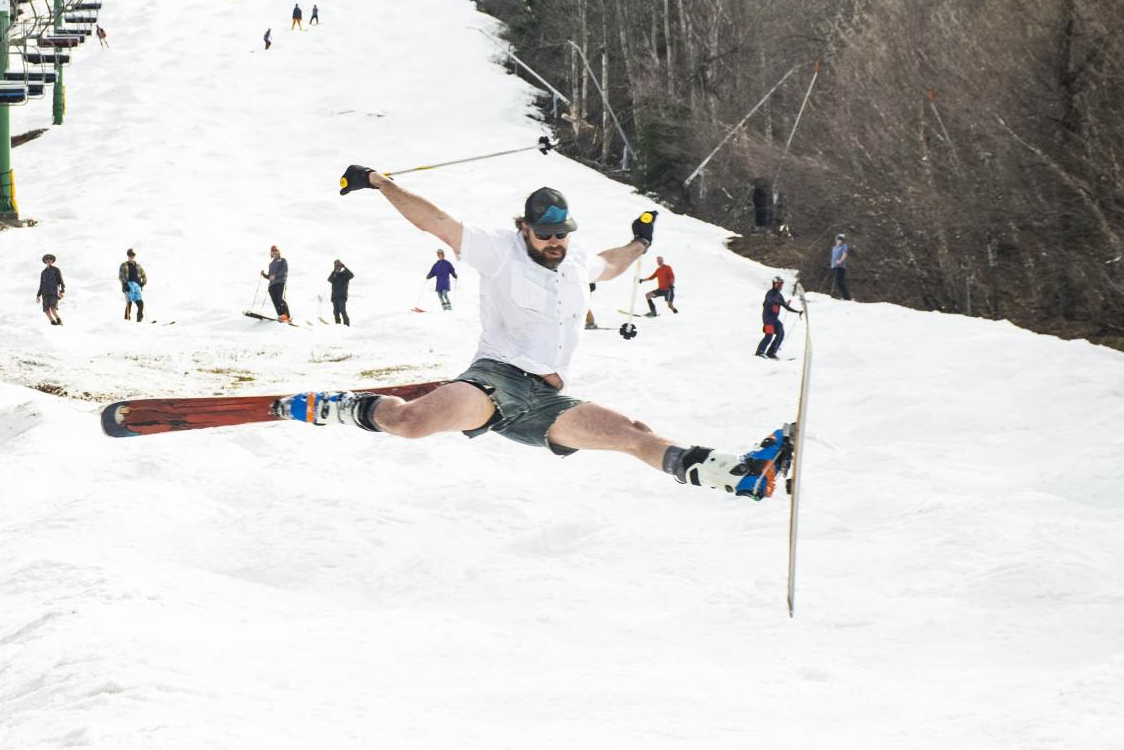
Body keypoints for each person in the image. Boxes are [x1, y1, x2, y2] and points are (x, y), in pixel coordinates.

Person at [284, 167, 793, 501]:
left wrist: (639, 242)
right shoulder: (497, 249)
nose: (555, 241)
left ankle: (739, 473)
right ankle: (338, 406)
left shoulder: (573, 260)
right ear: (524, 227)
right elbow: (435, 221)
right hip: (496, 379)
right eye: (545, 233)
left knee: (633, 435)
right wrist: (380, 181)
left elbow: (610, 265)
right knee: (413, 423)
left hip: (547, 400)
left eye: (562, 233)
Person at [755, 277, 801, 359]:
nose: (780, 286)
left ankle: (771, 352)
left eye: (781, 284)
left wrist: (797, 312)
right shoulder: (770, 293)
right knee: (769, 335)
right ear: (774, 284)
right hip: (768, 319)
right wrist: (783, 303)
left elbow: (786, 307)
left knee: (781, 333)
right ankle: (760, 352)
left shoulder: (779, 295)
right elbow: (772, 301)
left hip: (775, 319)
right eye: (778, 284)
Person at [261, 245, 291, 322]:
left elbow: (284, 271)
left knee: (280, 298)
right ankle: (281, 316)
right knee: (275, 300)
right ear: (271, 253)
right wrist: (264, 275)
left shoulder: (283, 260)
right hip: (272, 285)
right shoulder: (270, 264)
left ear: (278, 252)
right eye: (273, 251)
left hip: (280, 282)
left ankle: (287, 316)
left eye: (275, 251)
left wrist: (275, 276)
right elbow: (270, 277)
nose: (274, 252)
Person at [119, 248, 147, 322]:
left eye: (133, 255)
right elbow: (121, 276)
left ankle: (139, 320)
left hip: (137, 286)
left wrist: (142, 283)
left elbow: (144, 276)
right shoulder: (124, 265)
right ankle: (126, 320)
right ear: (128, 256)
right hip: (129, 285)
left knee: (140, 303)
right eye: (130, 255)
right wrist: (125, 284)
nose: (131, 257)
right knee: (129, 302)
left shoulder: (138, 266)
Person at [37, 253, 65, 325]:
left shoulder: (56, 270)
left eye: (50, 260)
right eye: (47, 260)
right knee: (46, 310)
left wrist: (62, 291)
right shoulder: (43, 273)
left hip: (53, 292)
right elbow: (41, 284)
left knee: (53, 308)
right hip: (45, 293)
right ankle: (53, 322)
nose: (48, 261)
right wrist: (38, 295)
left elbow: (60, 280)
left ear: (52, 261)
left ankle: (59, 320)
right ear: (45, 262)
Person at [327, 259, 354, 325]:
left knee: (342, 310)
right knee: (335, 312)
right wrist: (334, 271)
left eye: (338, 264)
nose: (337, 266)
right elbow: (329, 279)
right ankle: (338, 325)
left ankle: (347, 325)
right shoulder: (334, 275)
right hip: (334, 297)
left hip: (342, 296)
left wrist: (344, 267)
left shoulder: (345, 275)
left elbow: (352, 275)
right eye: (336, 265)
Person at [829, 232, 852, 300]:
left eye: (841, 240)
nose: (840, 241)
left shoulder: (844, 246)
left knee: (840, 282)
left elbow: (844, 255)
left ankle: (847, 297)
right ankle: (835, 295)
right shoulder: (834, 248)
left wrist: (840, 261)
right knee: (836, 281)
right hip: (834, 266)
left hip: (840, 267)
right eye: (839, 239)